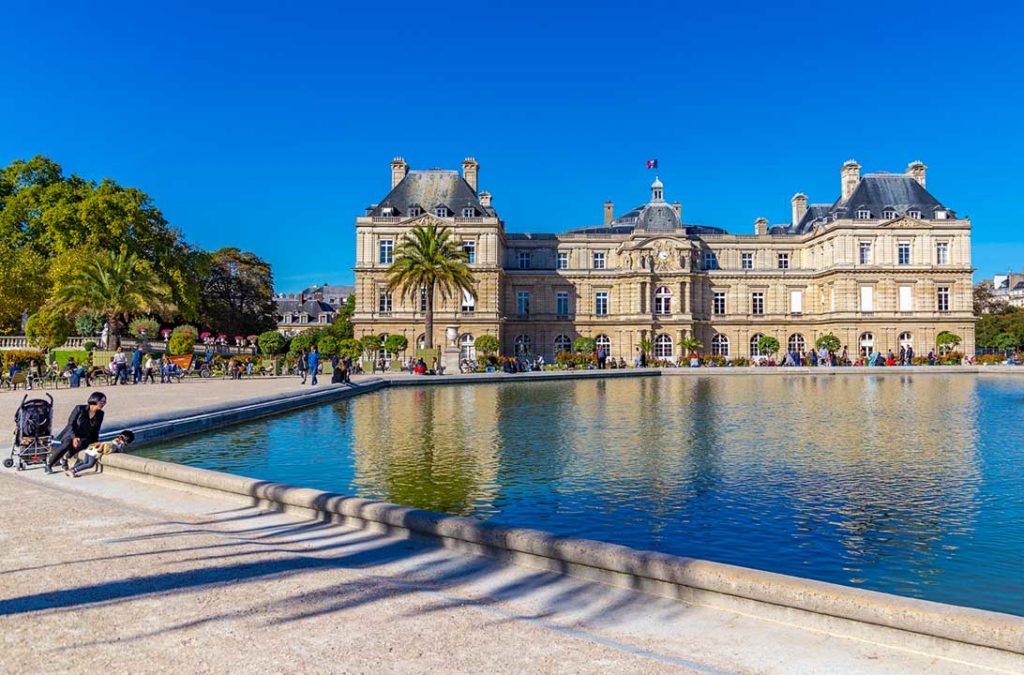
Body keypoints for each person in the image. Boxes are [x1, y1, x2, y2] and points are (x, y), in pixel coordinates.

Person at [46, 391, 106, 474]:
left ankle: (65, 458)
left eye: (104, 402)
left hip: (85, 436)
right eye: (102, 401)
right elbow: (71, 424)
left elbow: (96, 429)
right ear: (95, 400)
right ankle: (49, 464)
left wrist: (96, 443)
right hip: (71, 433)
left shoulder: (100, 414)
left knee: (83, 443)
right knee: (67, 444)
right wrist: (74, 437)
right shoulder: (79, 409)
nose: (104, 404)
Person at [66, 430, 134, 477]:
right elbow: (115, 449)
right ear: (126, 441)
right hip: (96, 451)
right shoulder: (119, 443)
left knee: (85, 462)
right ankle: (73, 471)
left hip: (92, 446)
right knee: (90, 464)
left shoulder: (116, 439)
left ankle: (71, 469)